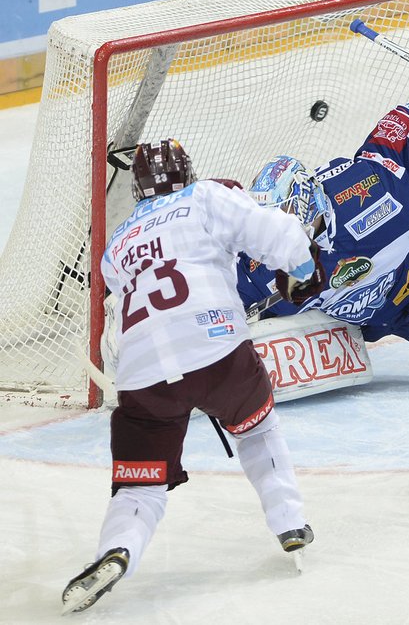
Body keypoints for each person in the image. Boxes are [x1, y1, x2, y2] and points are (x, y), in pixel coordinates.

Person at [62, 140, 325, 615]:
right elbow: (276, 232)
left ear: (139, 187)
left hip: (143, 378)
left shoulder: (116, 245)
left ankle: (116, 551)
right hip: (219, 351)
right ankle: (289, 522)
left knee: (140, 486)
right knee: (257, 428)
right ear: (187, 172)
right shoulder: (205, 196)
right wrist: (305, 268)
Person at [236, 98, 409, 360]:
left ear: (306, 202)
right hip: (342, 332)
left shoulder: (372, 186)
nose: (271, 229)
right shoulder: (256, 265)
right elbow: (215, 299)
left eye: (281, 213)